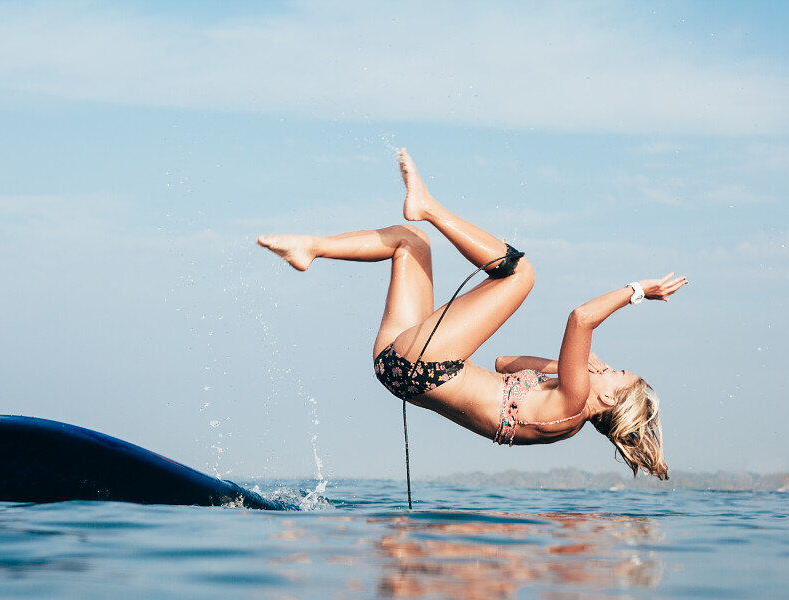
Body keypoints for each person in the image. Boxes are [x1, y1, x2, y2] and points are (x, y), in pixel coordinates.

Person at [258, 149, 685, 479]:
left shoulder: (573, 403)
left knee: (521, 275)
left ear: (609, 398)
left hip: (427, 364)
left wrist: (637, 292)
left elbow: (581, 317)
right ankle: (310, 248)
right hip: (399, 364)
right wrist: (565, 365)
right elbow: (504, 364)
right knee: (410, 242)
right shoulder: (561, 409)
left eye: (618, 373)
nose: (610, 368)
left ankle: (428, 204)